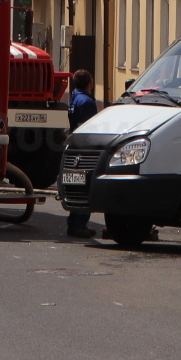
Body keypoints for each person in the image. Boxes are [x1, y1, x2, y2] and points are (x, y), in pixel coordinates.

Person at [63, 70, 101, 238]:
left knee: (76, 185)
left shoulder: (75, 98)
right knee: (85, 187)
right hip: (85, 149)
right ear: (90, 82)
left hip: (75, 146)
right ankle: (79, 225)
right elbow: (88, 128)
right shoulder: (86, 102)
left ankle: (74, 223)